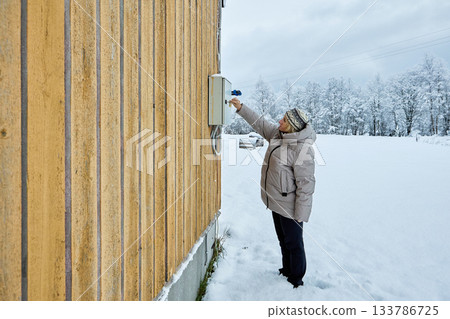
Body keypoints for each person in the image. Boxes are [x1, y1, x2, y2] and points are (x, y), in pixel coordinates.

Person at [229, 97, 316, 288]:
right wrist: (241, 108)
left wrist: (300, 215)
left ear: (292, 126)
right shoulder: (277, 135)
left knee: (294, 244)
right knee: (283, 240)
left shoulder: (302, 149)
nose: (279, 121)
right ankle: (287, 270)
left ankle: (296, 279)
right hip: (276, 200)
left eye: (284, 120)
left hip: (291, 206)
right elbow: (259, 122)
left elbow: (306, 184)